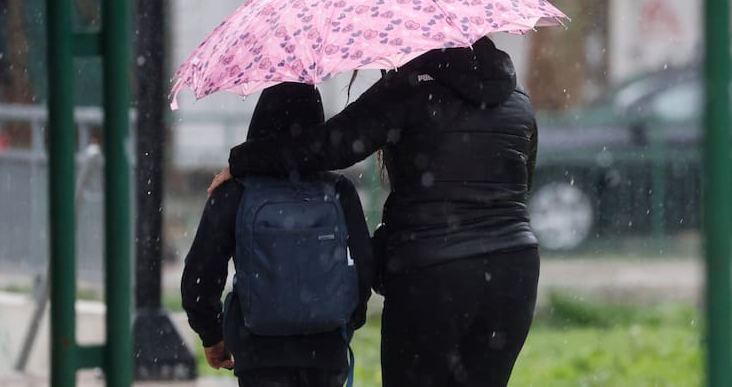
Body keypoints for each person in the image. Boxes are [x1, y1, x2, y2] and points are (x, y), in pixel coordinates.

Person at [210, 37, 540, 387]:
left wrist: (244, 159)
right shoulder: (519, 101)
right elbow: (522, 184)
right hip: (513, 270)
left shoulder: (409, 89)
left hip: (431, 272)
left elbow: (329, 145)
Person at [181, 82, 373, 387]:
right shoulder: (339, 191)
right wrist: (345, 323)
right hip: (324, 352)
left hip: (258, 353)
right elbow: (363, 269)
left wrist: (212, 334)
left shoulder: (234, 191)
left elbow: (200, 275)